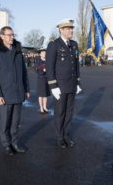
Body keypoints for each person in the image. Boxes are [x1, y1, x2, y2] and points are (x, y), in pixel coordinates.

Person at [0, 26, 30, 156]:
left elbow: (24, 72)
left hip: (18, 92)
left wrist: (26, 89)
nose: (12, 37)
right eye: (9, 35)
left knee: (16, 121)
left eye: (12, 35)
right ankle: (6, 144)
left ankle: (15, 142)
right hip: (5, 94)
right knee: (5, 121)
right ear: (2, 36)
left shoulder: (18, 52)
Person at [46, 19, 82, 149]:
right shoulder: (54, 45)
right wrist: (53, 86)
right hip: (60, 86)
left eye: (71, 28)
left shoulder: (74, 44)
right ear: (61, 30)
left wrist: (77, 82)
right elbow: (49, 67)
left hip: (71, 85)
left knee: (69, 112)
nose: (71, 30)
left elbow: (76, 65)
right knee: (60, 112)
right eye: (68, 28)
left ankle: (66, 135)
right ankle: (60, 137)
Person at [35, 49, 50, 114]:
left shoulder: (48, 60)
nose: (44, 54)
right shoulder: (38, 61)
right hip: (41, 79)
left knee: (46, 94)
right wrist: (43, 70)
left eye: (45, 53)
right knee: (41, 94)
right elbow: (36, 70)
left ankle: (45, 107)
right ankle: (41, 107)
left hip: (47, 79)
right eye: (43, 53)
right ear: (40, 54)